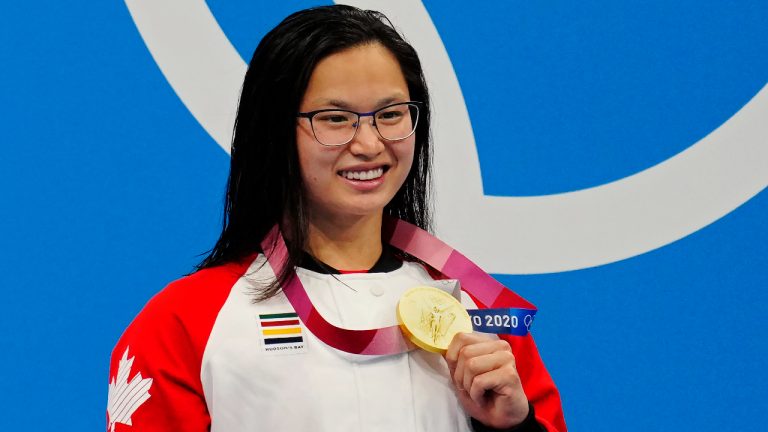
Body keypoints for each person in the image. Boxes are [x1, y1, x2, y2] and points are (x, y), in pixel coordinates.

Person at [107, 5, 566, 432]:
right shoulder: (185, 322)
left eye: (390, 114)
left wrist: (511, 427)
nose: (369, 144)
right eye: (334, 118)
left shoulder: (477, 315)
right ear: (272, 132)